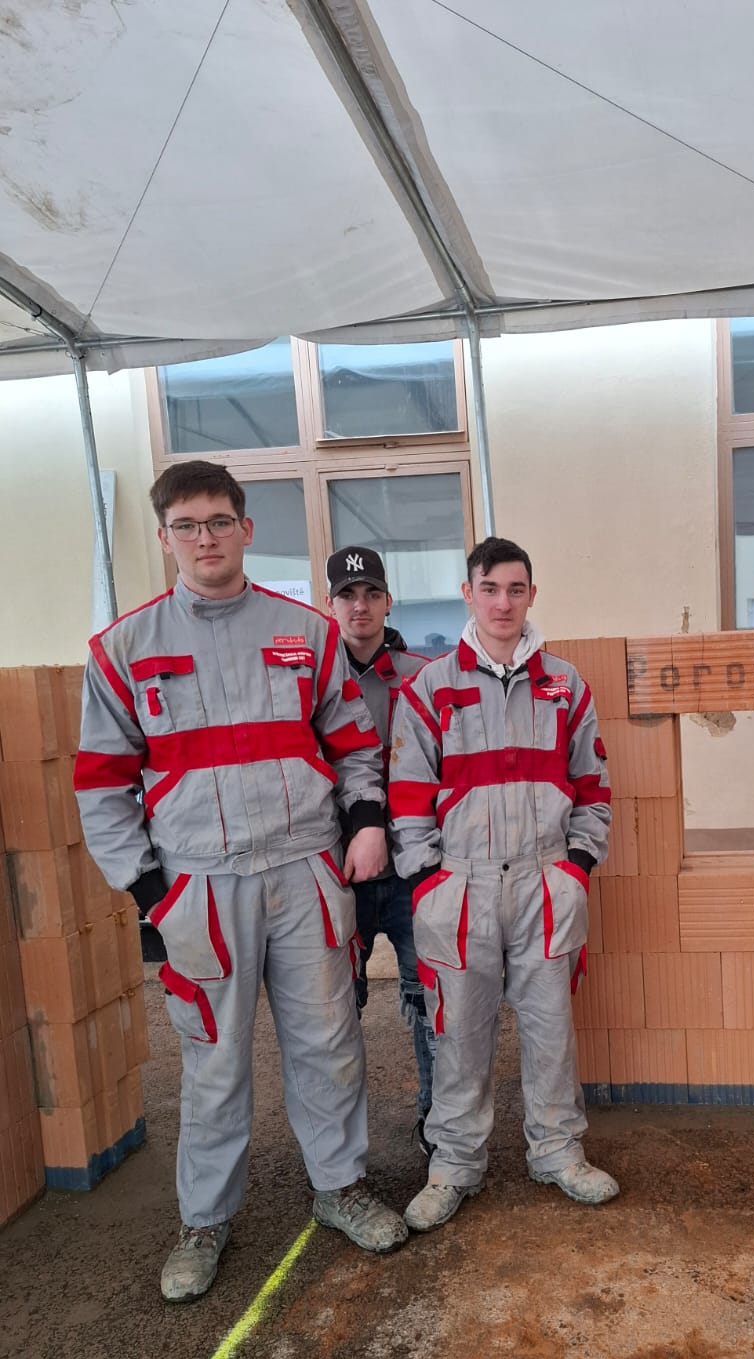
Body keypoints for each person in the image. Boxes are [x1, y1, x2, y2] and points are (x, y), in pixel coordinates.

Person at [74, 460, 408, 1303]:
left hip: (305, 874)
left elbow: (354, 744)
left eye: (220, 521)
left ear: (247, 529)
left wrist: (368, 822)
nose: (206, 538)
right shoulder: (123, 651)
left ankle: (340, 1187)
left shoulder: (308, 633)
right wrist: (152, 894)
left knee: (328, 1043)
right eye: (187, 526)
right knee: (213, 1061)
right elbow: (101, 788)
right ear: (165, 538)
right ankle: (204, 1220)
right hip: (201, 889)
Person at [390, 536, 619, 1232]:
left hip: (546, 881)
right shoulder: (431, 688)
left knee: (551, 1029)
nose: (502, 603)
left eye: (516, 589)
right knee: (459, 1033)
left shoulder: (565, 684)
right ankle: (454, 1166)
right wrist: (428, 881)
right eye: (489, 589)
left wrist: (576, 868)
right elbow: (407, 795)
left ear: (531, 595)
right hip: (461, 886)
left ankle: (558, 1152)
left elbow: (593, 787)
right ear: (468, 594)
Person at [325, 545, 437, 1150]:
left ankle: (437, 1123)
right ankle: (341, 1147)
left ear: (389, 601)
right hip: (338, 872)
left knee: (432, 999)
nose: (360, 606)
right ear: (330, 605)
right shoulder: (311, 682)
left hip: (416, 869)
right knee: (335, 1008)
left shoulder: (425, 675)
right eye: (347, 595)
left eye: (371, 594)